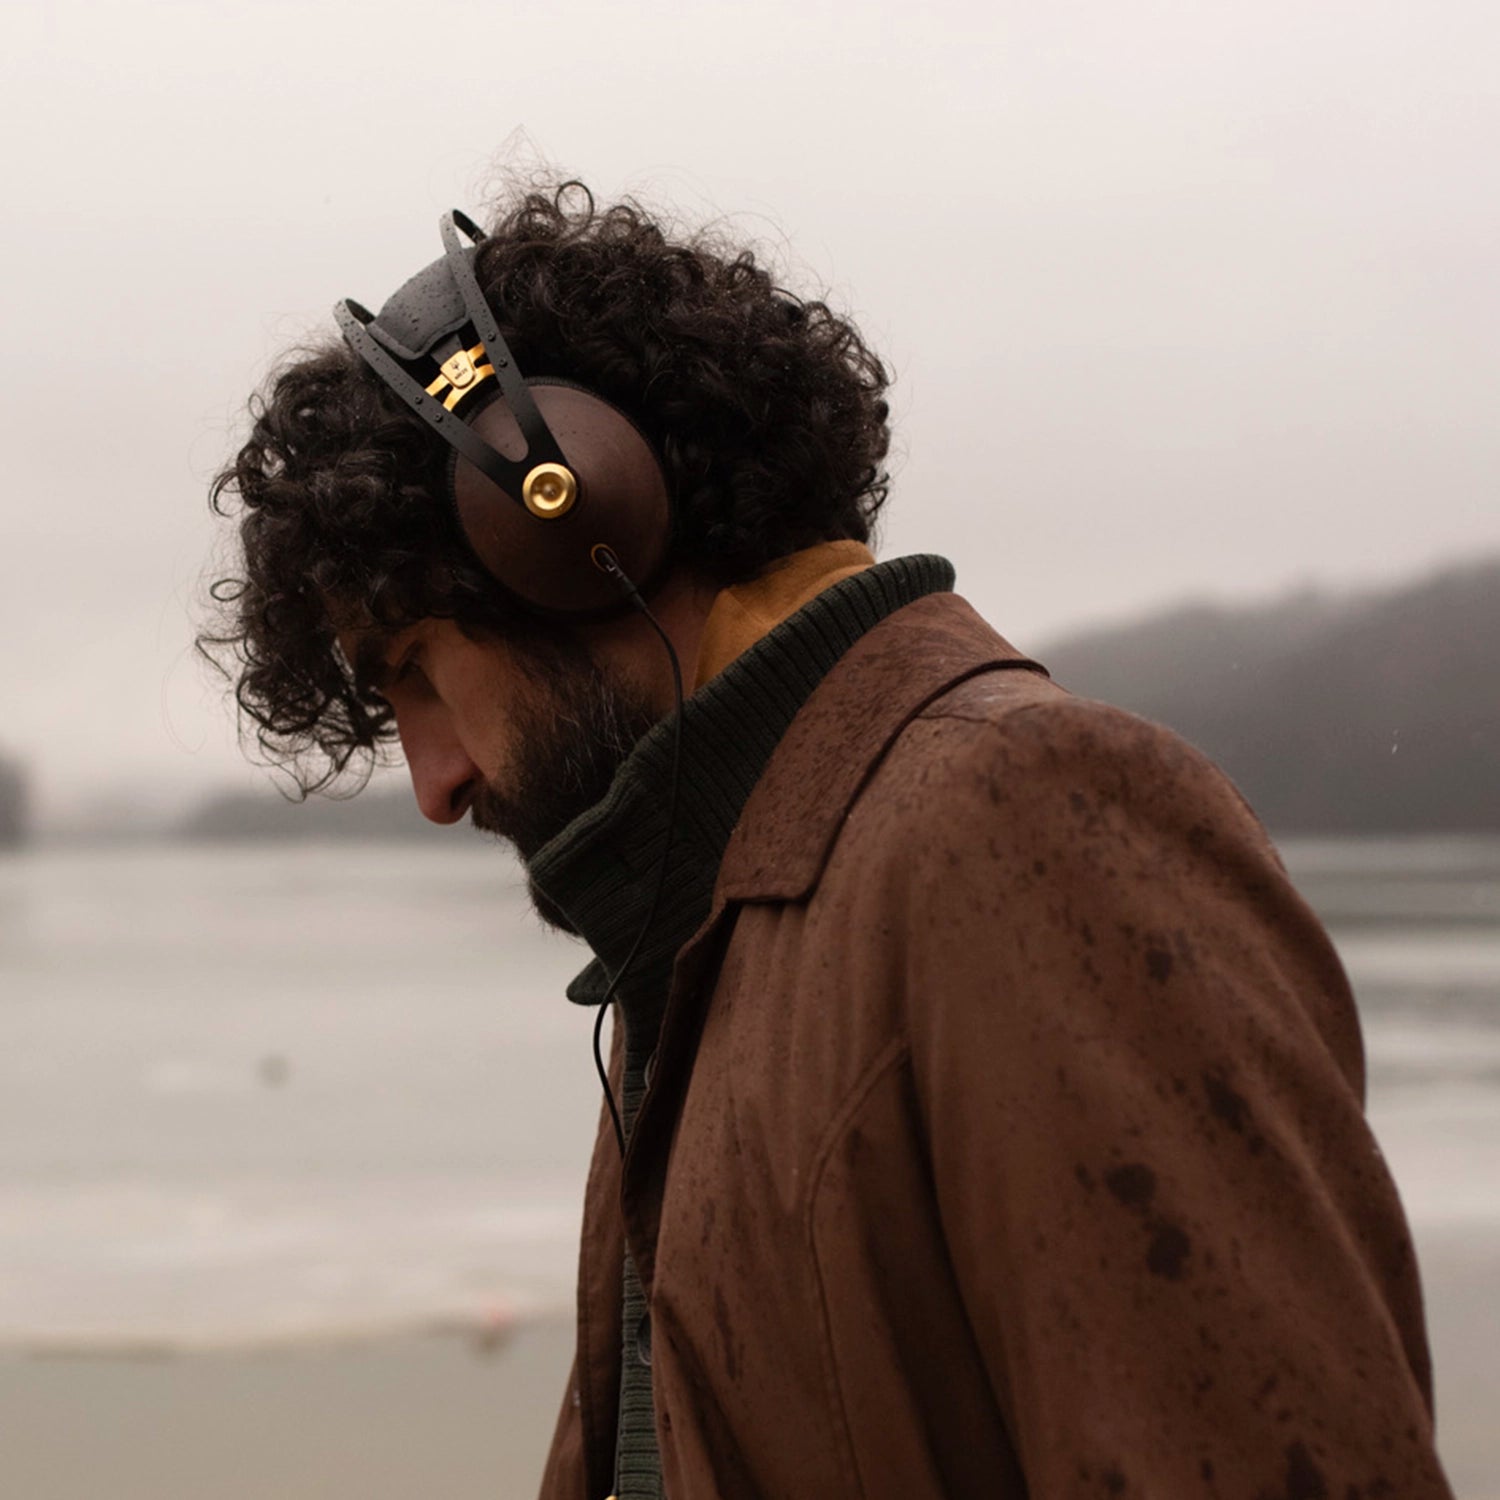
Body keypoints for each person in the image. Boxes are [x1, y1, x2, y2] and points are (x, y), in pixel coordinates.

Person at [205, 180, 1453, 1500]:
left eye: (415, 670)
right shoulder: (716, 926)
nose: (436, 782)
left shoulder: (1029, 819)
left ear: (569, 529)